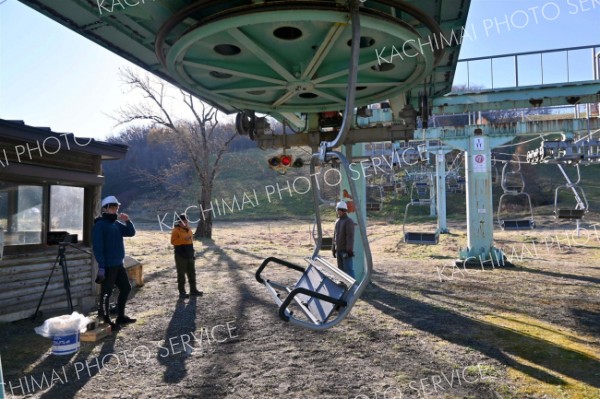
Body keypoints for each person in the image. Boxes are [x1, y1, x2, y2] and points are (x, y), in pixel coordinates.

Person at [93, 195, 136, 327]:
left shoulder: (116, 224)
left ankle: (120, 316)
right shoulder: (100, 225)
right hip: (107, 266)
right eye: (112, 207)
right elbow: (98, 247)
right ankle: (106, 321)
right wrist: (101, 266)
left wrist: (127, 221)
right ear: (105, 209)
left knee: (126, 288)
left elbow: (130, 233)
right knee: (106, 293)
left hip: (119, 264)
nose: (115, 210)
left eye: (116, 207)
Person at [171, 214, 203, 299]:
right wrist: (184, 240)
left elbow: (190, 241)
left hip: (190, 253)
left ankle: (193, 290)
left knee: (192, 273)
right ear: (178, 222)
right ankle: (182, 292)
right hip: (180, 254)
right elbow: (173, 242)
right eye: (182, 222)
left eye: (186, 221)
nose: (184, 223)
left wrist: (192, 253)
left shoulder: (189, 229)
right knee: (181, 274)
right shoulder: (175, 230)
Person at [332, 201, 355, 278]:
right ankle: (343, 288)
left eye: (338, 209)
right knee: (340, 272)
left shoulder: (349, 221)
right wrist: (333, 249)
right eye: (337, 209)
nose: (337, 211)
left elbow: (350, 237)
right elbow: (335, 236)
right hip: (338, 250)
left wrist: (349, 251)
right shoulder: (337, 221)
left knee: (349, 271)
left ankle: (354, 289)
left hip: (345, 251)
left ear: (342, 210)